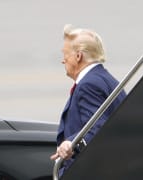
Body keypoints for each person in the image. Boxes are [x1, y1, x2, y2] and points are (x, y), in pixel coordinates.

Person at [50, 24, 126, 174]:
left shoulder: (89, 85)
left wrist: (71, 143)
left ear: (78, 56)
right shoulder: (106, 80)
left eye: (65, 55)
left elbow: (98, 128)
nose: (63, 61)